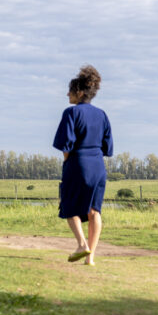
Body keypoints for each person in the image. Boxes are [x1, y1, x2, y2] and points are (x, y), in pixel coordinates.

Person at [53, 65, 113, 266]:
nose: (67, 94)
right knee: (94, 210)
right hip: (98, 166)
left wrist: (68, 162)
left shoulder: (71, 113)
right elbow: (107, 146)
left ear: (79, 92)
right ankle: (91, 257)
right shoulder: (102, 115)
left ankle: (81, 244)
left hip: (78, 163)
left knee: (70, 207)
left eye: (70, 90)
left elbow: (66, 144)